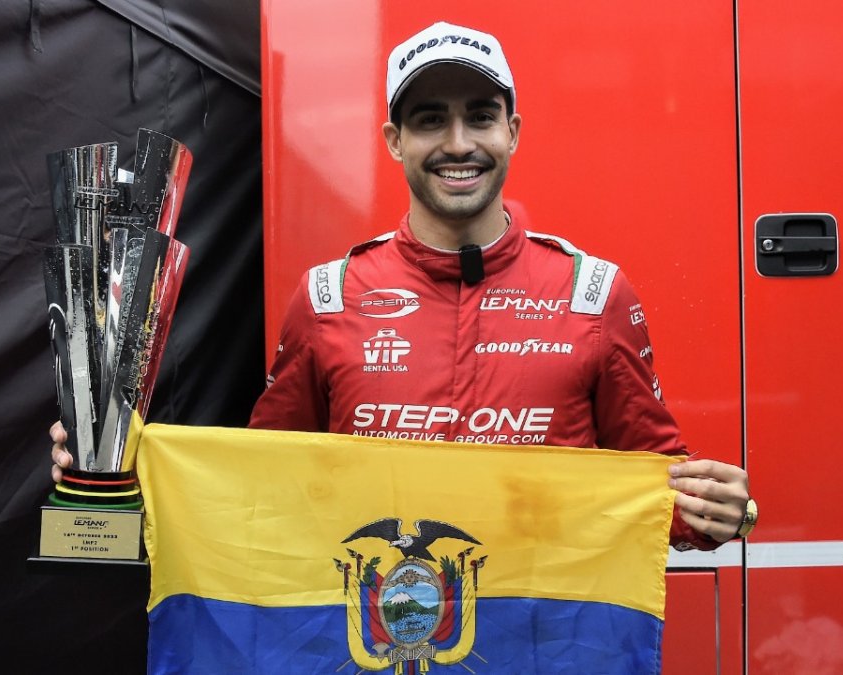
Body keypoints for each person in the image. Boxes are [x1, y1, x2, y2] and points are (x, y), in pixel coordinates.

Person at [51, 21, 755, 550]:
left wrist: (709, 512)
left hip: (536, 644)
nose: (458, 142)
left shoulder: (594, 294)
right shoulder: (329, 297)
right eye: (429, 120)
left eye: (480, 116)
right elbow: (265, 485)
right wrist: (126, 474)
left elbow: (657, 490)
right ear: (393, 139)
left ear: (513, 131)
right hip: (376, 644)